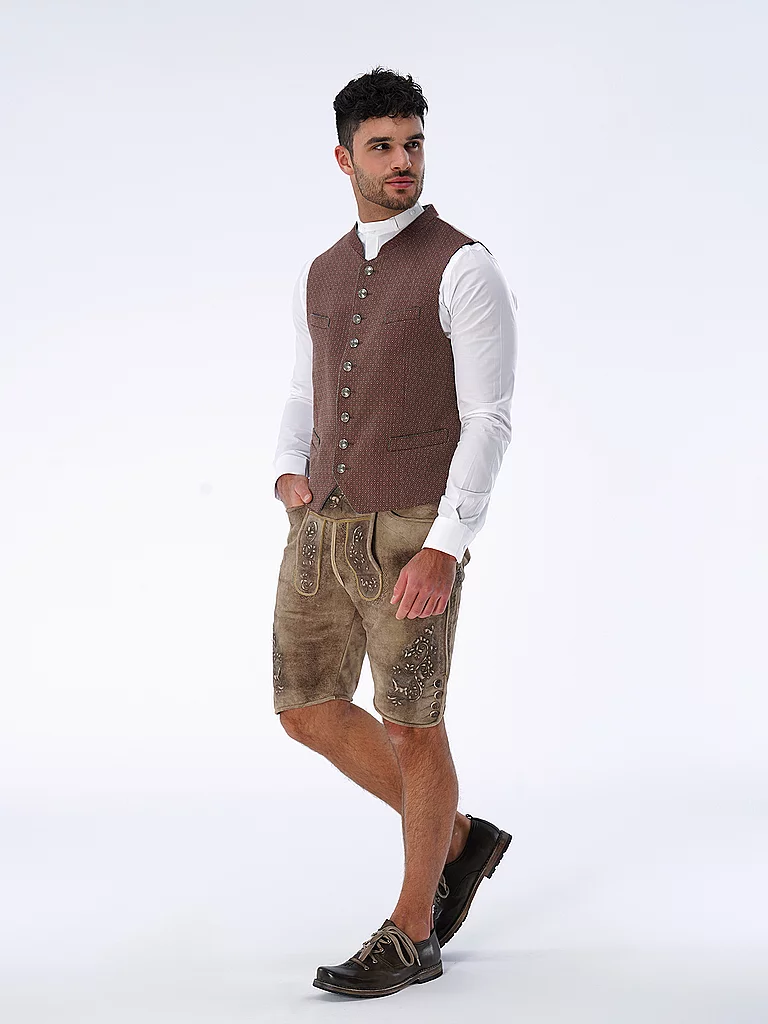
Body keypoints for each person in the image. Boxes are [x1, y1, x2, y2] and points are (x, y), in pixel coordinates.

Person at [271, 66, 518, 998]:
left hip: (413, 526)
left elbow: (488, 418)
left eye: (412, 143)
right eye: (381, 146)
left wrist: (446, 544)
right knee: (306, 709)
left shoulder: (464, 265)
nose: (401, 161)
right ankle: (456, 838)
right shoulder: (324, 269)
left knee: (414, 724)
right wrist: (287, 469)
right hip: (320, 524)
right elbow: (304, 386)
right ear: (345, 159)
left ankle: (415, 931)